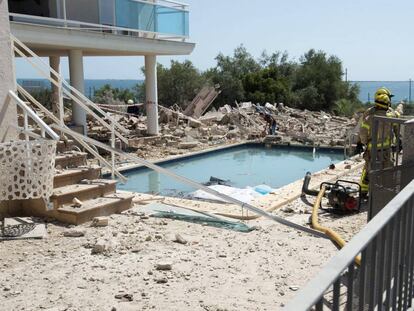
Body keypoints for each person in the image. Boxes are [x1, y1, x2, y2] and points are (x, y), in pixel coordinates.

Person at [358, 87, 399, 198]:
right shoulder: (390, 115)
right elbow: (397, 126)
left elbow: (362, 132)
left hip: (373, 149)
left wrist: (363, 142)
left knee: (368, 170)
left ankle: (364, 192)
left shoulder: (369, 115)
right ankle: (384, 192)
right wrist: (398, 141)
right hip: (386, 149)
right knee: (385, 169)